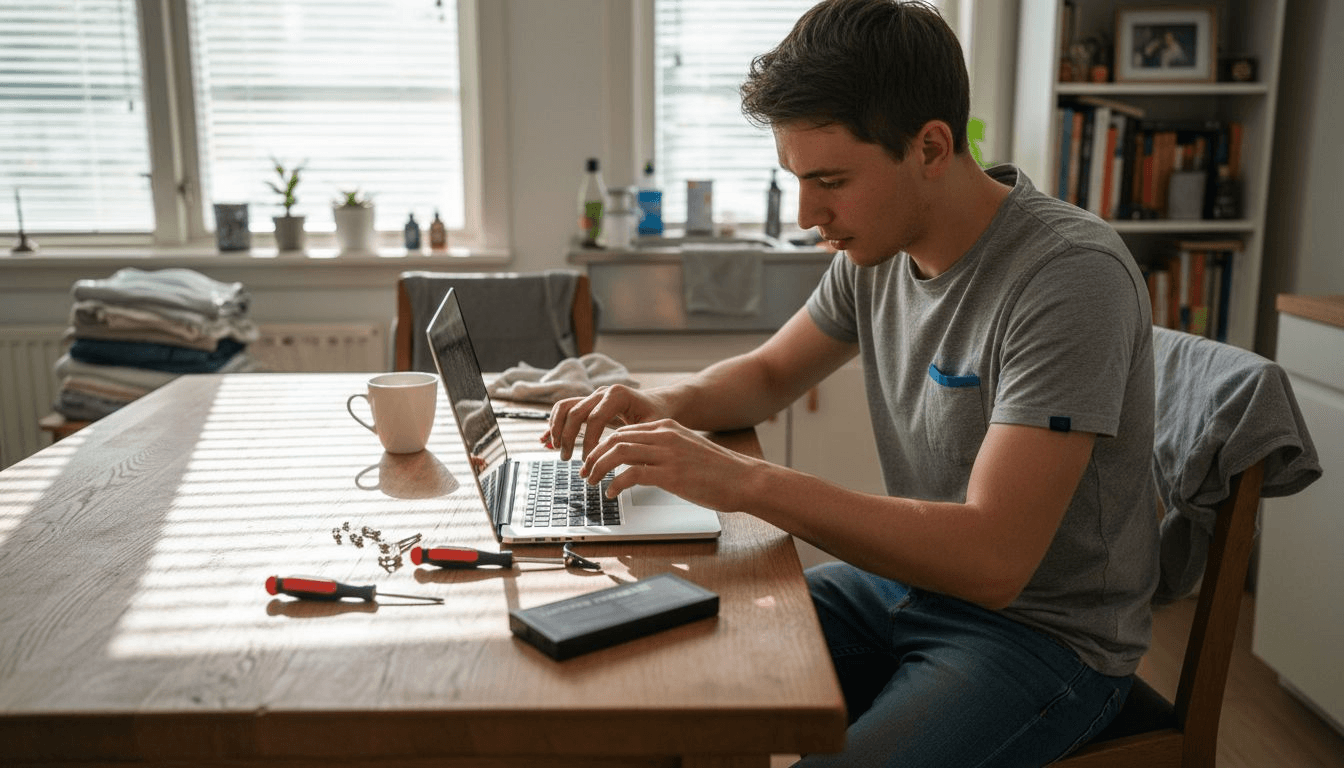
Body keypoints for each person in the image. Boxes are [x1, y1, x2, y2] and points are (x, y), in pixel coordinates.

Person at [543, 1, 1159, 765]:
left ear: (931, 147)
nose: (809, 215)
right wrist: (663, 405)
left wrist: (744, 480)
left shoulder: (1068, 277)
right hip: (907, 588)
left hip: (1045, 638)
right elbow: (770, 373)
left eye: (831, 180)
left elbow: (994, 561)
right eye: (798, 180)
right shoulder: (879, 249)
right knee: (645, 668)